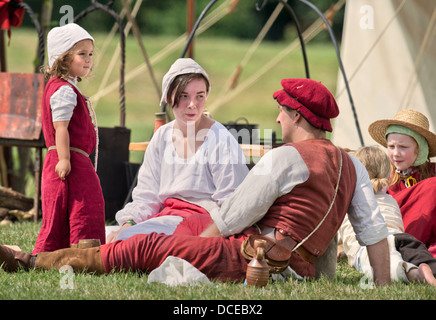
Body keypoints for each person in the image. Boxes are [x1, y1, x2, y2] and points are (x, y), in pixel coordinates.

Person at [0, 78, 391, 286]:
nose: (276, 121)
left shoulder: (285, 157)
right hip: (295, 266)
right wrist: (386, 286)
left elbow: (237, 213)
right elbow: (373, 231)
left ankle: (33, 262)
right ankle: (69, 255)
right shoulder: (351, 165)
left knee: (149, 246)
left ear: (296, 115)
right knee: (145, 240)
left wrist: (189, 247)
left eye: (281, 113)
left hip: (259, 260)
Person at [106, 58, 248, 242]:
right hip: (168, 217)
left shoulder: (219, 138)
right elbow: (147, 195)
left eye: (200, 96)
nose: (192, 105)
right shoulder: (162, 137)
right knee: (107, 234)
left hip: (203, 223)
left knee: (135, 240)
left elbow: (232, 201)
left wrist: (210, 234)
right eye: (184, 96)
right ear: (168, 97)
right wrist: (129, 224)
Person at [32, 23, 105, 255]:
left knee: (77, 208)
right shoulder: (63, 90)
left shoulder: (66, 87)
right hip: (68, 160)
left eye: (90, 54)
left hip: (74, 160)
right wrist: (64, 159)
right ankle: (79, 253)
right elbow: (60, 127)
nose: (88, 59)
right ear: (63, 58)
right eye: (81, 54)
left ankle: (75, 252)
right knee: (81, 206)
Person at [338, 145, 436, 285]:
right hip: (401, 237)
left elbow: (343, 236)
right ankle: (429, 267)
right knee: (417, 252)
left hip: (369, 246)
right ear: (387, 174)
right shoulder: (390, 200)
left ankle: (413, 273)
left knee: (385, 265)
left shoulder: (350, 202)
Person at [368, 109, 436, 258]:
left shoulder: (432, 172)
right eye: (391, 147)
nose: (396, 153)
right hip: (397, 232)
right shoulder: (384, 175)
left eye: (403, 147)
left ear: (420, 149)